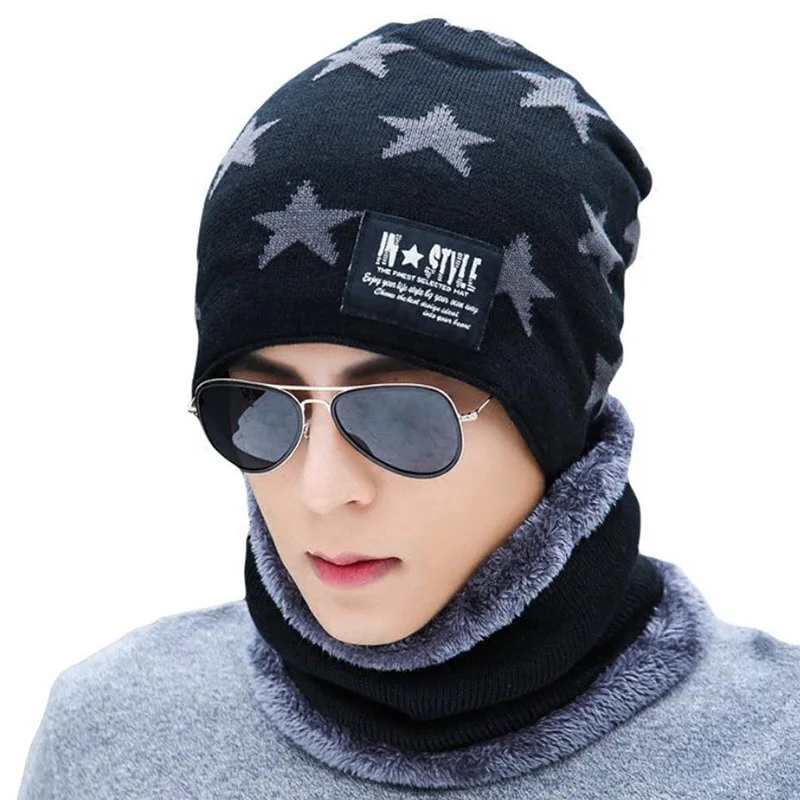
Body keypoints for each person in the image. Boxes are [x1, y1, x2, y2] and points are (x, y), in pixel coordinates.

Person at [18, 17, 799, 799]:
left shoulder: (773, 755)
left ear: (557, 419)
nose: (322, 489)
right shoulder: (113, 738)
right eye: (260, 407)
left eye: (400, 415)